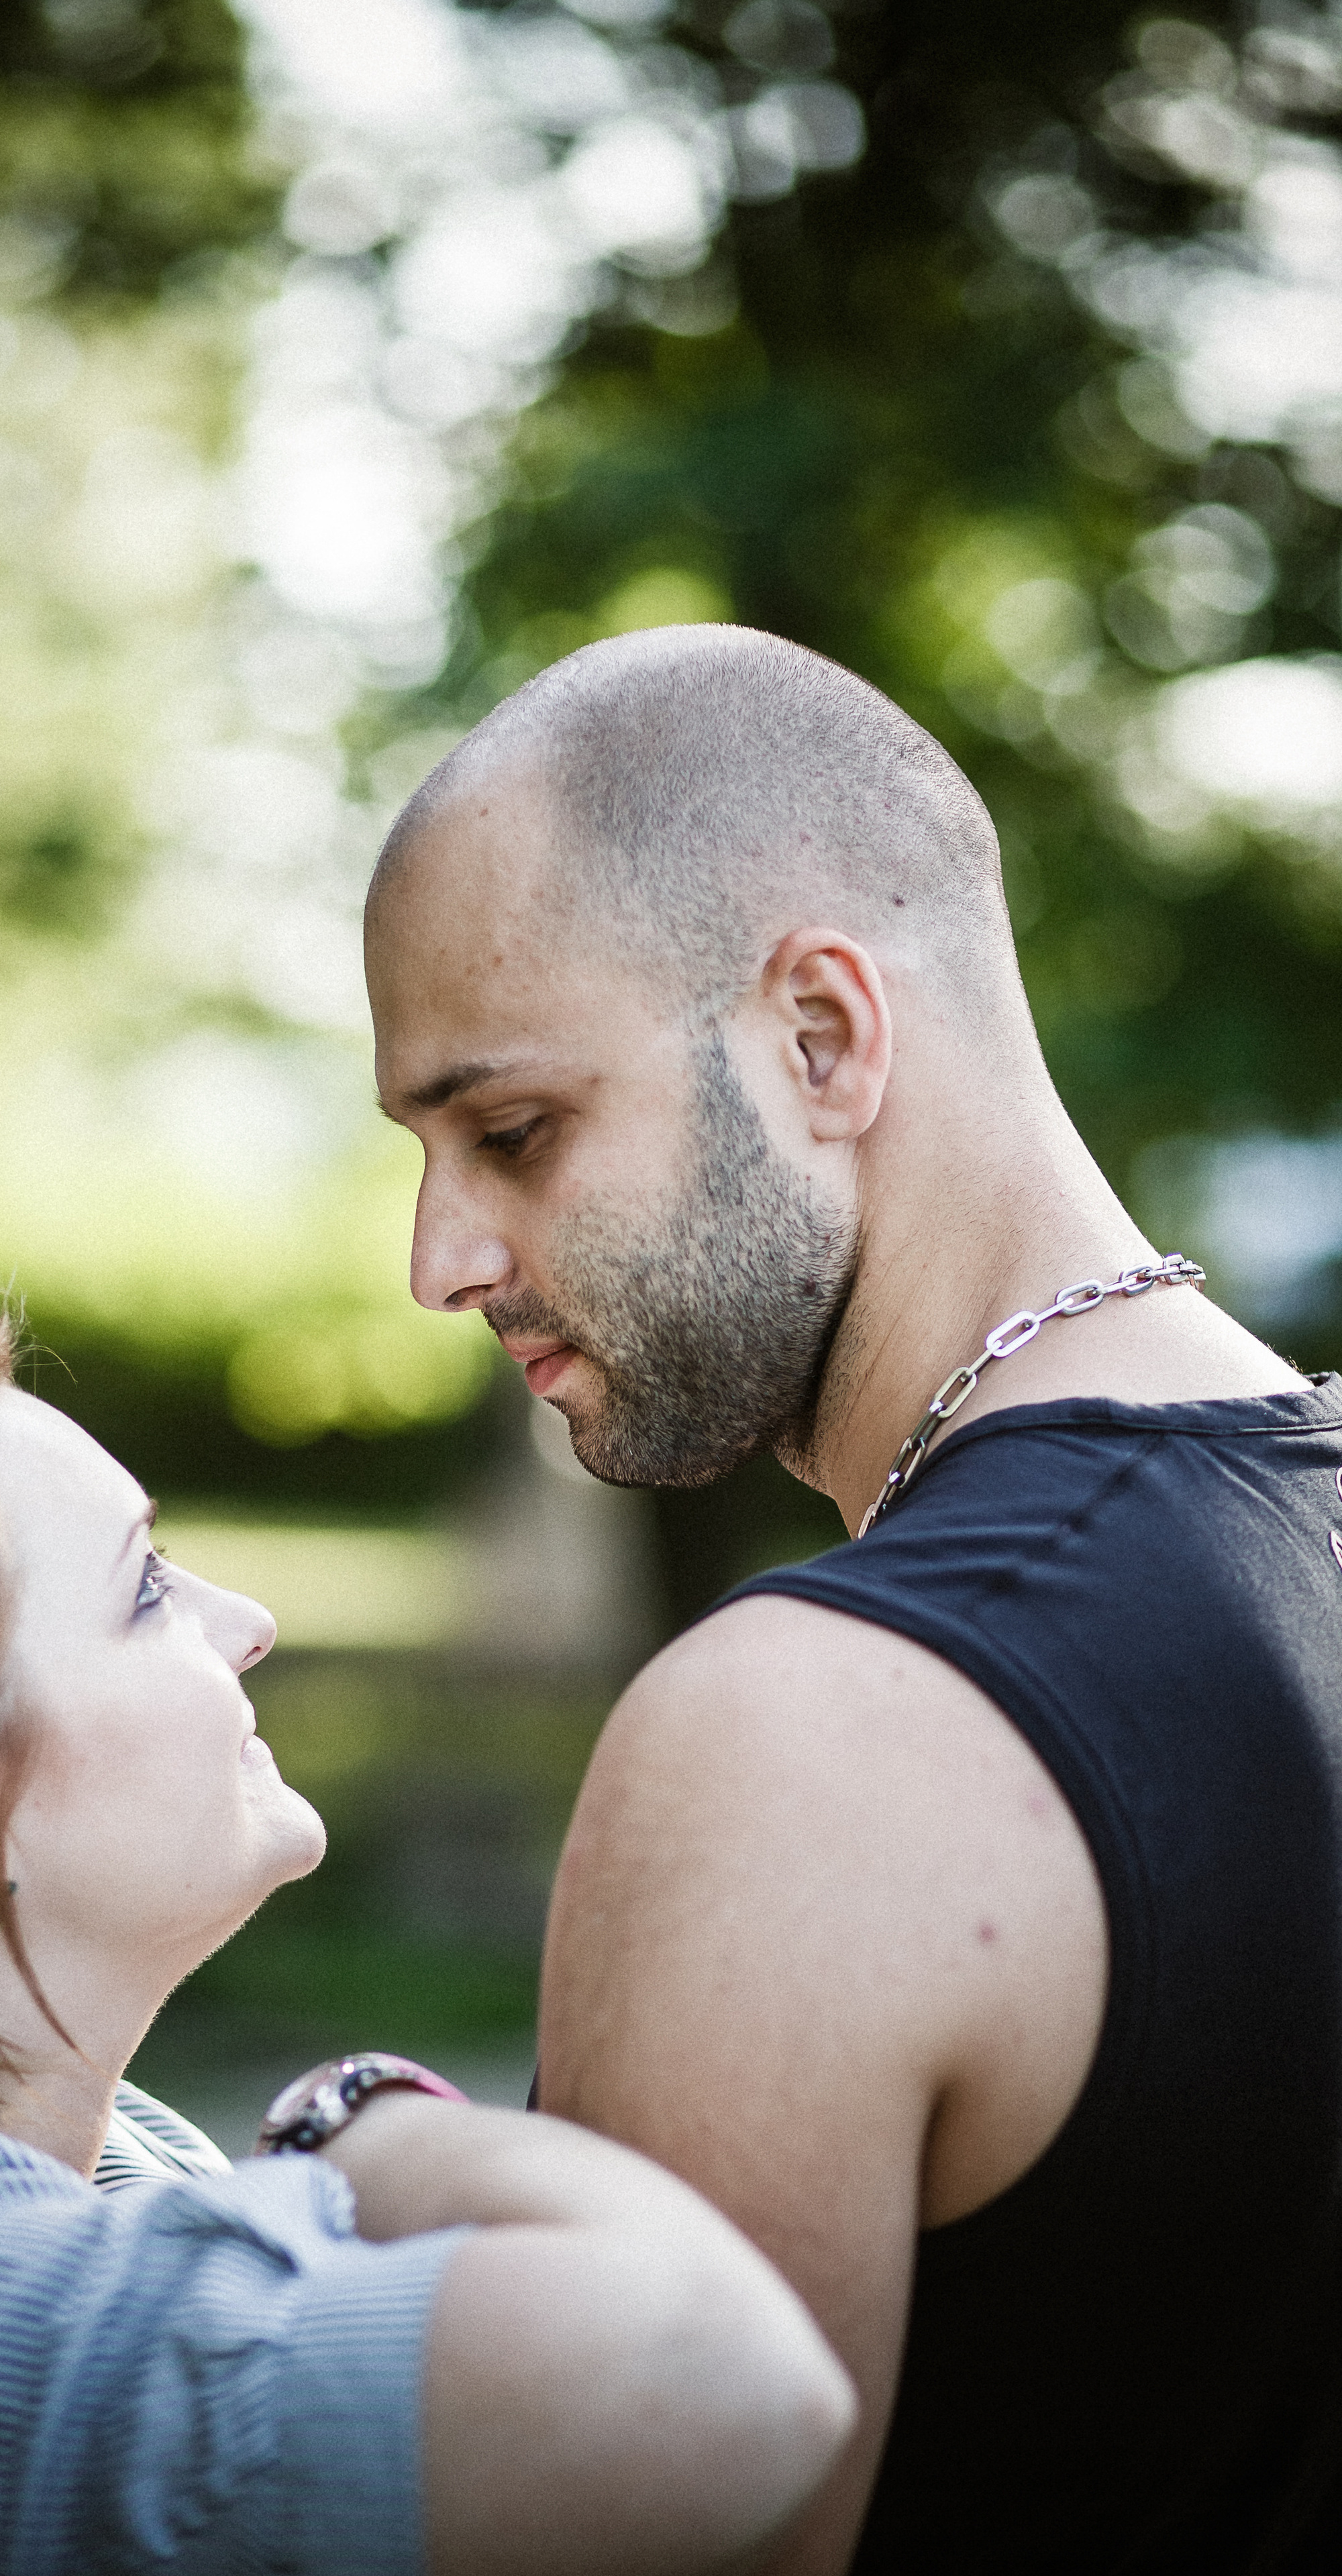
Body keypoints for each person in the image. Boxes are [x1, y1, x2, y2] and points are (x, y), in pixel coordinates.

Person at [364, 623, 1342, 2574]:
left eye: (516, 1133)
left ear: (821, 1036)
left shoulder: (802, 1739)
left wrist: (345, 2151)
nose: (440, 1257)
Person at [0, 1291, 853, 2576]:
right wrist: (356, 2123)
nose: (248, 1621)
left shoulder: (95, 2152)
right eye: (145, 1590)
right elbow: (720, 2383)